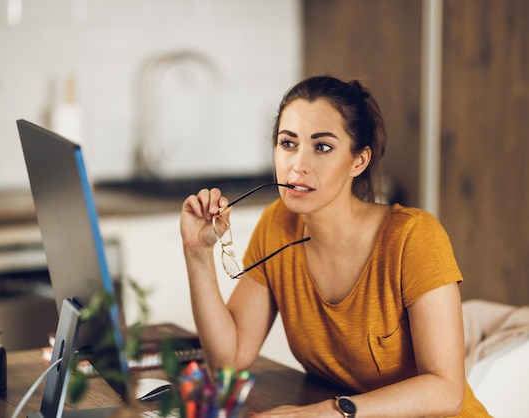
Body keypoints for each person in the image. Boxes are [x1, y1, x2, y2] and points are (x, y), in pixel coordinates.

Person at [179, 75, 490, 417]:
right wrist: (197, 254)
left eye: (322, 147)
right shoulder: (278, 224)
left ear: (359, 161)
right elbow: (230, 359)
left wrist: (325, 412)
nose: (298, 165)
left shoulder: (414, 238)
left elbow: (447, 392)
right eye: (288, 143)